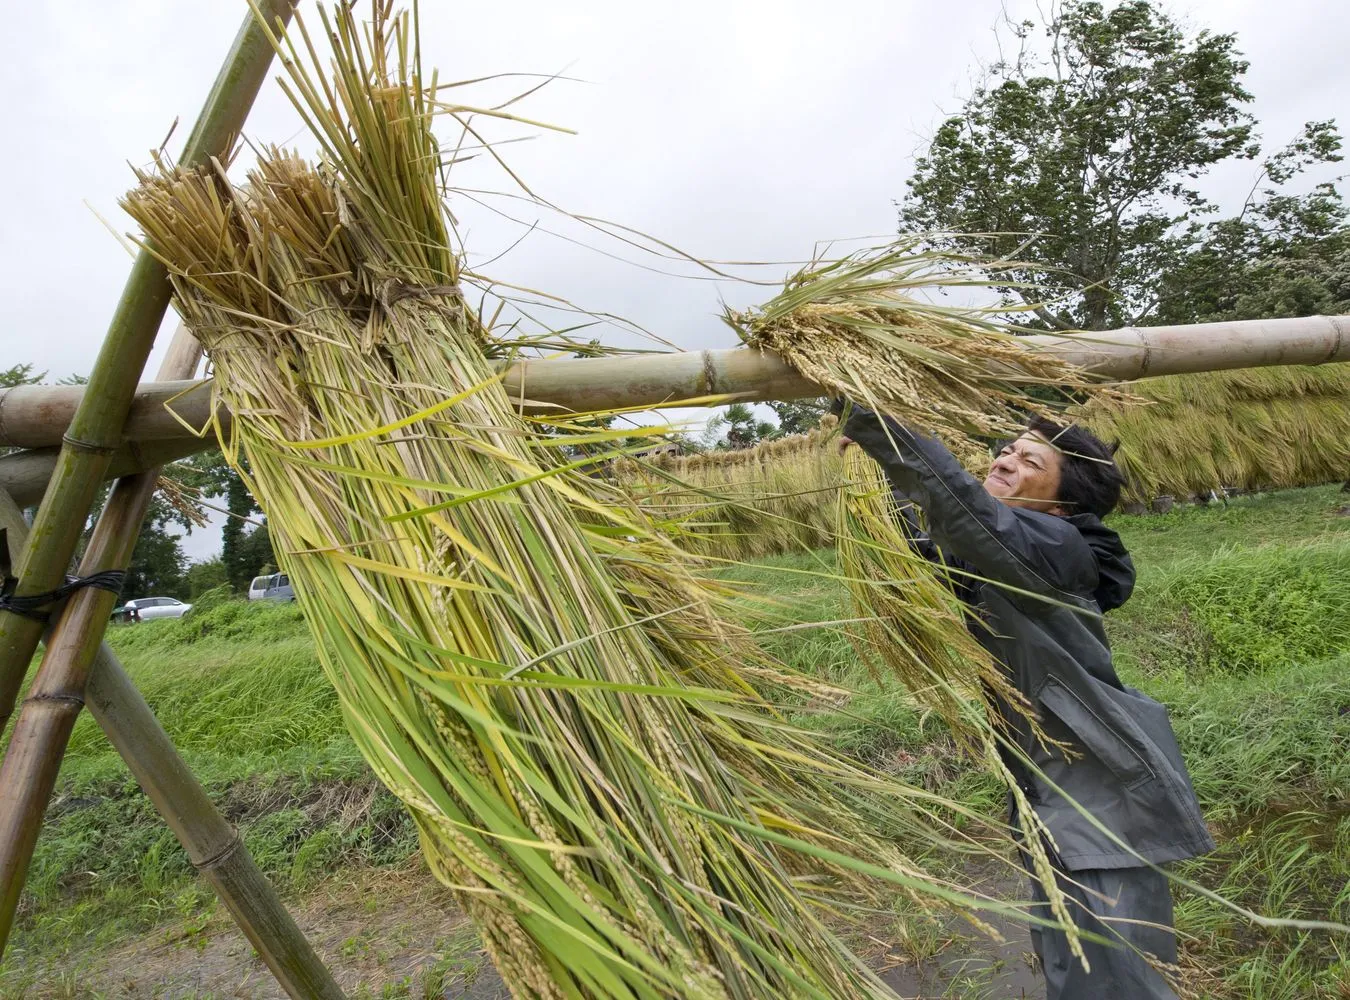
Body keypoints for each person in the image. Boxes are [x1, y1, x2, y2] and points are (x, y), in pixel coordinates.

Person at [839, 404, 1215, 1000]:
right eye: (1009, 449)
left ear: (1060, 508)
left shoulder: (1057, 549)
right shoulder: (1003, 562)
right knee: (1073, 968)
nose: (1006, 460)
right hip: (1056, 795)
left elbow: (966, 513)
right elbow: (933, 531)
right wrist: (879, 469)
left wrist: (879, 421)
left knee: (1118, 983)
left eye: (1029, 460)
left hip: (1100, 800)